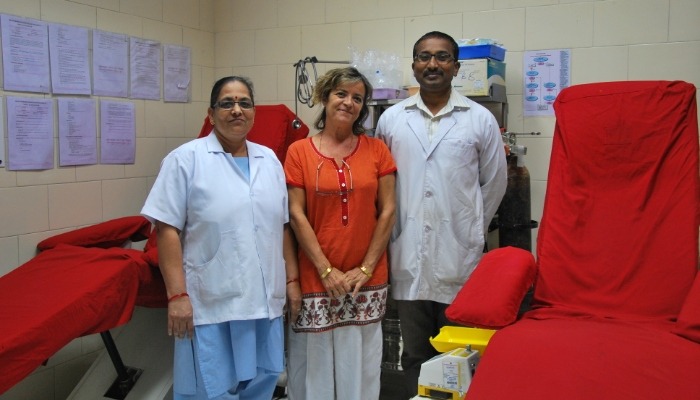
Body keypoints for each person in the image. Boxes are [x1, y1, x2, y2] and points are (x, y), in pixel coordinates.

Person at [141, 76, 297, 400]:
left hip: (264, 302)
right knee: (211, 388)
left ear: (253, 112)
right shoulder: (185, 159)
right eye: (227, 103)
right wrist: (177, 296)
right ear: (211, 114)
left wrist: (292, 281)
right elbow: (166, 228)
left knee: (263, 380)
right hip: (212, 303)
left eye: (245, 103)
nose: (237, 110)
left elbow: (282, 227)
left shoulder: (269, 160)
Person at [375, 31, 507, 398]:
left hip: (458, 254)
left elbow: (494, 184)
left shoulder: (478, 119)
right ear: (414, 64)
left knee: (459, 350)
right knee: (415, 350)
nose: (432, 64)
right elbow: (381, 185)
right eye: (424, 56)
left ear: (456, 67)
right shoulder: (391, 120)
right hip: (408, 251)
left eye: (442, 57)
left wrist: (469, 233)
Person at [284, 66, 397, 400]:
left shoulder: (377, 150)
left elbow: (388, 210)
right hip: (317, 277)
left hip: (367, 278)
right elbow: (296, 214)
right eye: (341, 94)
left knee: (361, 367)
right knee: (315, 368)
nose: (349, 102)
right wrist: (326, 270)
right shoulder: (299, 152)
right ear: (324, 97)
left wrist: (365, 268)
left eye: (357, 98)